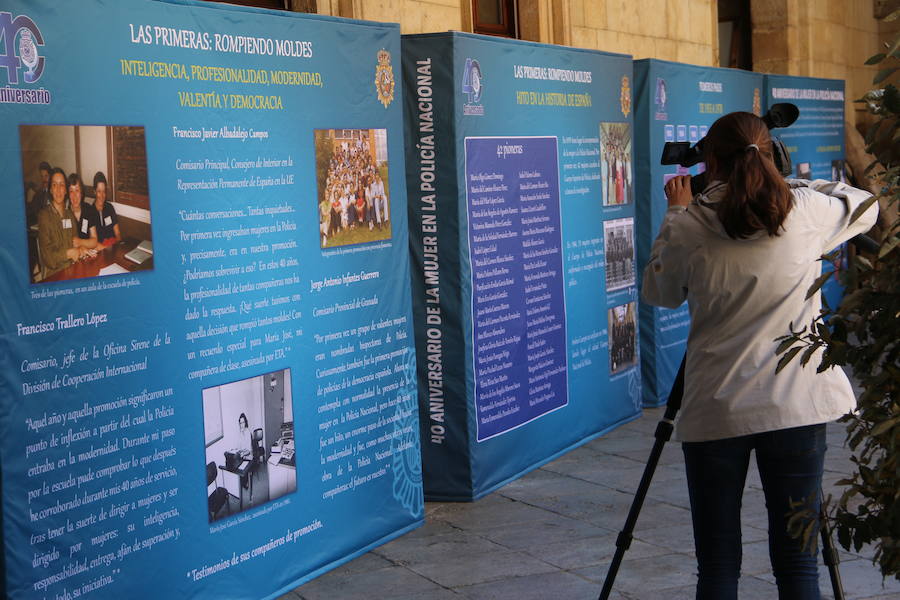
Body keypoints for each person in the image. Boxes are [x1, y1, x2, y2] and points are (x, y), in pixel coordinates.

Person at [641, 111, 878, 599]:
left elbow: (660, 292)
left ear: (710, 163)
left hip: (716, 409)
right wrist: (783, 179)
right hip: (796, 405)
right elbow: (866, 205)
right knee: (798, 565)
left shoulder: (691, 223)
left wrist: (676, 213)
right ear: (772, 155)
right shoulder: (806, 209)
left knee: (718, 565)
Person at [37, 168, 88, 277]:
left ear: (66, 190)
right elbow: (48, 259)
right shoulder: (44, 216)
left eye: (62, 185)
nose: (59, 189)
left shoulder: (70, 214)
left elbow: (75, 242)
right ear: (50, 189)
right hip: (56, 274)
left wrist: (80, 248)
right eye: (55, 185)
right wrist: (68, 253)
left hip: (73, 268)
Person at [67, 173, 98, 249]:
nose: (74, 196)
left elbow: (94, 241)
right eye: (71, 191)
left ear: (81, 193)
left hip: (88, 252)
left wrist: (80, 242)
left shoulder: (88, 209)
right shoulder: (65, 214)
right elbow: (68, 243)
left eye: (77, 190)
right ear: (68, 194)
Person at [92, 171, 120, 244]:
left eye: (104, 191)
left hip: (113, 247)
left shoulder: (110, 208)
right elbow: (92, 240)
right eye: (99, 191)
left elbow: (117, 234)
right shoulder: (90, 212)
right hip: (100, 250)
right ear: (94, 192)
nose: (102, 195)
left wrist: (117, 244)